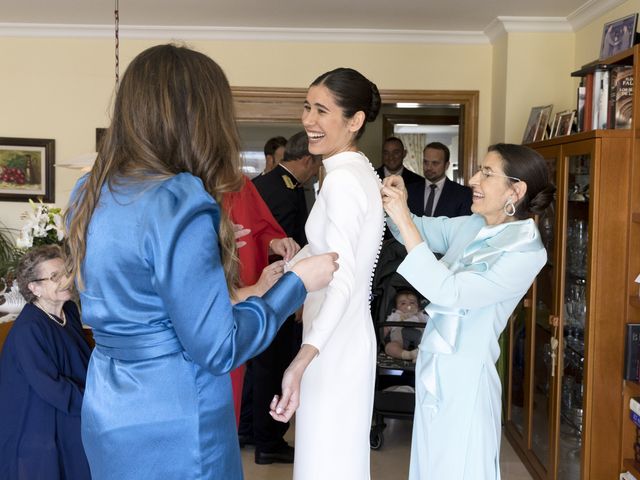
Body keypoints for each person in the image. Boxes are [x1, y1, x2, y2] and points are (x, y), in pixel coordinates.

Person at [64, 44, 338, 480]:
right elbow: (219, 347)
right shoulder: (178, 198)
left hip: (108, 408)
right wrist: (297, 284)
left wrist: (222, 269)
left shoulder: (89, 192)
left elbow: (141, 293)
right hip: (176, 415)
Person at [381, 143, 555, 479]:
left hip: (466, 379)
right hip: (434, 365)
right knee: (431, 464)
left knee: (459, 466)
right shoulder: (473, 225)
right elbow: (418, 228)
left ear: (515, 190)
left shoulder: (526, 251)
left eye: (487, 173)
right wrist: (395, 203)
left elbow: (451, 292)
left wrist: (403, 216)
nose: (473, 179)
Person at [269, 67, 385, 480]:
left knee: (326, 464)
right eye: (307, 107)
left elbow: (344, 278)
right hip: (340, 335)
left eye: (322, 111)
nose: (308, 121)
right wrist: (297, 262)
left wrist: (302, 359)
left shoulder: (342, 182)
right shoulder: (349, 171)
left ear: (354, 122)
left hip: (333, 344)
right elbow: (338, 257)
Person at [244, 131, 321, 464]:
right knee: (273, 365)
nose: (316, 172)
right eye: (316, 165)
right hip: (277, 290)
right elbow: (287, 250)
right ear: (307, 160)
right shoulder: (286, 191)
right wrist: (297, 296)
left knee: (259, 364)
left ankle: (250, 429)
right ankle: (268, 440)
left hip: (262, 289)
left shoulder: (267, 183)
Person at [0, 245, 91, 479]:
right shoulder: (28, 330)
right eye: (54, 277)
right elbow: (52, 388)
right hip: (40, 420)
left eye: (66, 272)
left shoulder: (68, 310)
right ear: (34, 288)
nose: (66, 280)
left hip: (73, 404)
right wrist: (97, 403)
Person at [222, 175, 299, 427]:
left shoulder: (235, 181)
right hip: (207, 301)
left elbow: (257, 230)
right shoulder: (174, 183)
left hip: (238, 302)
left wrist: (275, 242)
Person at [406, 141, 472, 218]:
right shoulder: (409, 191)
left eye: (435, 163)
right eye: (426, 162)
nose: (429, 167)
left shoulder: (462, 194)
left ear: (446, 165)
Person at [383, 290, 427, 362]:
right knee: (389, 347)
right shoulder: (395, 315)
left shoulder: (421, 315)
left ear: (418, 306)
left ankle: (420, 355)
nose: (408, 305)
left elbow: (432, 325)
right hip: (399, 341)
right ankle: (408, 355)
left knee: (428, 345)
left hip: (420, 341)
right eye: (403, 303)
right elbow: (386, 327)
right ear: (396, 307)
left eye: (412, 302)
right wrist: (380, 338)